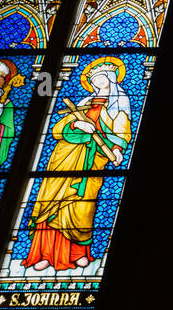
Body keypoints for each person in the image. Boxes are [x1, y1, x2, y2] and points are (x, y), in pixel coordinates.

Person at [24, 56, 131, 272]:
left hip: (93, 160)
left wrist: (118, 150)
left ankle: (78, 252)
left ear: (111, 79)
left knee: (82, 206)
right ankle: (45, 254)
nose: (97, 83)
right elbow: (57, 129)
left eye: (101, 78)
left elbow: (122, 130)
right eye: (94, 80)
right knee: (51, 202)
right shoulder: (82, 103)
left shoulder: (118, 104)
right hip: (65, 157)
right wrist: (77, 123)